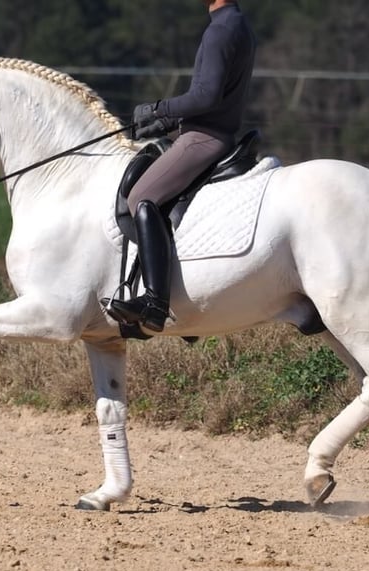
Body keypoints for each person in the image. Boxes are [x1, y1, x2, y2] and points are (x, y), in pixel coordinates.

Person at [104, 0, 256, 332]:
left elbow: (205, 96)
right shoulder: (236, 23)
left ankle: (155, 303)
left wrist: (159, 109)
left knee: (141, 197)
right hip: (207, 131)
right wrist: (168, 121)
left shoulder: (220, 30)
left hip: (205, 138)